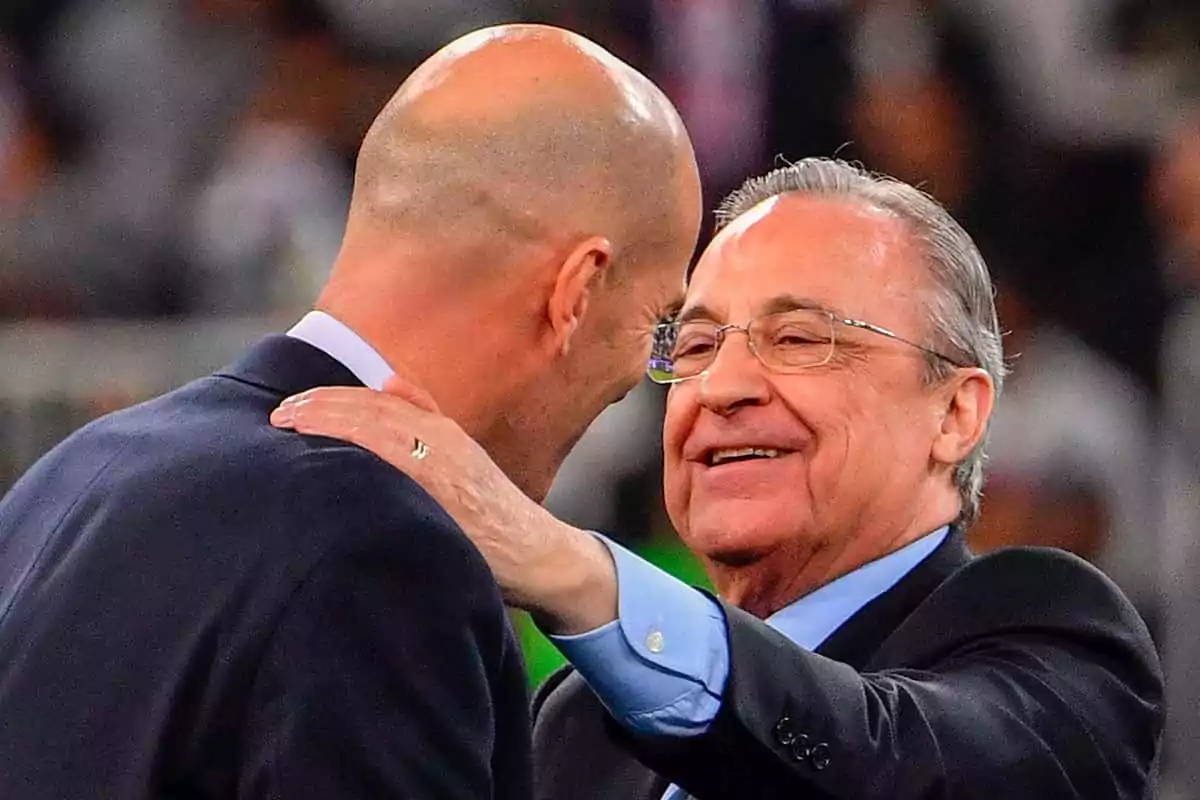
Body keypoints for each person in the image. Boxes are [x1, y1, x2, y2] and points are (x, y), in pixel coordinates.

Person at [274, 157, 1164, 799]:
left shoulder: (1054, 637)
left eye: (801, 338)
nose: (722, 387)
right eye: (694, 346)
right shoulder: (579, 718)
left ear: (955, 413)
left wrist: (574, 572)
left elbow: (891, 767)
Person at [0, 24, 702, 799]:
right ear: (575, 291)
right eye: (659, 323)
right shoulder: (385, 550)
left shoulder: (70, 477)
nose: (647, 367)